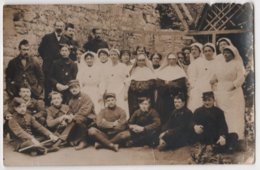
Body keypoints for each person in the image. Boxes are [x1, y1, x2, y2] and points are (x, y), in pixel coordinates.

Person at [210, 45, 245, 141]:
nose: (226, 54)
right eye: (224, 52)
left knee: (233, 113)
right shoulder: (220, 64)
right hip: (221, 91)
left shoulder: (237, 64)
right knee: (222, 112)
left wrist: (233, 85)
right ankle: (223, 135)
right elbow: (216, 76)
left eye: (228, 52)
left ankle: (235, 135)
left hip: (234, 92)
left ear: (233, 54)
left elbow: (241, 78)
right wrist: (213, 81)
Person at [38, 20, 70, 103]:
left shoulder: (66, 39)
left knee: (58, 86)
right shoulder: (47, 37)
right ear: (54, 26)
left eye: (61, 26)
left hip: (59, 67)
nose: (59, 28)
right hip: (48, 66)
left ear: (63, 28)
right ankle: (48, 105)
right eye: (58, 26)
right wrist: (47, 59)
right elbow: (40, 49)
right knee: (48, 86)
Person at [155, 53, 188, 123]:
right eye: (169, 59)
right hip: (164, 97)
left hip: (175, 97)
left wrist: (168, 84)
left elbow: (181, 85)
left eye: (173, 59)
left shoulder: (180, 70)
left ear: (176, 60)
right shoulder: (162, 70)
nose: (171, 61)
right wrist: (169, 85)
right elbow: (159, 85)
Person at [187, 43, 217, 112]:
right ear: (203, 53)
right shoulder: (198, 62)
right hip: (199, 87)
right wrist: (194, 86)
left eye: (209, 51)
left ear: (213, 52)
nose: (207, 53)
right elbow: (192, 76)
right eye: (205, 51)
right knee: (197, 105)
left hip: (213, 86)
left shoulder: (217, 62)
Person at [67, 80, 96, 150]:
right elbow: (70, 111)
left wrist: (73, 117)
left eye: (75, 87)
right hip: (77, 117)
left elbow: (85, 111)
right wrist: (70, 116)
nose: (74, 89)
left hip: (89, 117)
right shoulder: (71, 101)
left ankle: (83, 142)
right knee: (70, 121)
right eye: (71, 88)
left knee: (79, 120)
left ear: (79, 88)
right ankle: (74, 139)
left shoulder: (85, 97)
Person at [101, 49, 130, 118]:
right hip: (110, 89)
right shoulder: (106, 67)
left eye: (115, 55)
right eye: (111, 55)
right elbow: (104, 80)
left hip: (121, 90)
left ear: (118, 56)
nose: (113, 56)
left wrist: (126, 92)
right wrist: (104, 91)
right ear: (109, 56)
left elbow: (127, 81)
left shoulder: (123, 67)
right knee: (110, 104)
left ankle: (123, 120)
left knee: (121, 104)